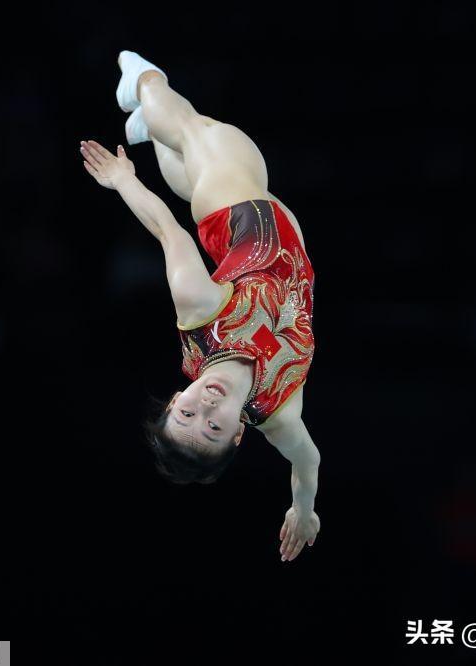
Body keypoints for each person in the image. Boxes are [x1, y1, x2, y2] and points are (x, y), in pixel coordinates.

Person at [79, 51, 321, 563]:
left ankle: (142, 81)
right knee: (192, 158)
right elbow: (308, 462)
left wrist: (123, 180)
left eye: (187, 413)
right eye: (213, 426)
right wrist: (303, 509)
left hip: (235, 209)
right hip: (279, 239)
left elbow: (169, 232)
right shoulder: (278, 415)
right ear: (237, 436)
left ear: (174, 400)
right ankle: (148, 126)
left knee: (193, 130)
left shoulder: (201, 316)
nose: (206, 407)